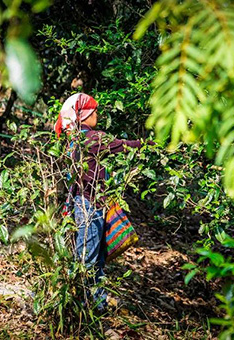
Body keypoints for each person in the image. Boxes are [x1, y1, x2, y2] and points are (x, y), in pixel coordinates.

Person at [54, 93, 153, 310]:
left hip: (85, 203)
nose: (97, 115)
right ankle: (77, 303)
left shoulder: (77, 138)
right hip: (89, 205)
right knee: (87, 257)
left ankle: (96, 302)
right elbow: (124, 145)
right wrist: (151, 144)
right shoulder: (92, 138)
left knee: (95, 256)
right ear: (85, 115)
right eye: (94, 111)